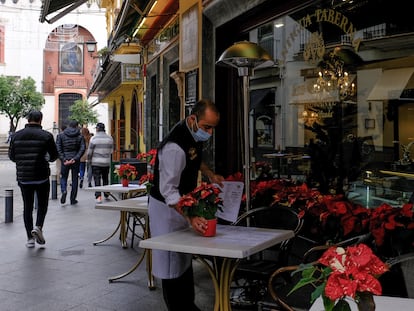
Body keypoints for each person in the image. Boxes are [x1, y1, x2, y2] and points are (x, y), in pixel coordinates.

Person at [148, 99, 224, 311]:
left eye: (212, 128)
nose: (209, 133)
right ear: (192, 119)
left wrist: (209, 173)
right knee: (171, 261)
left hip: (182, 204)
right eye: (206, 127)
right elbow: (168, 192)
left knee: (183, 258)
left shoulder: (190, 134)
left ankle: (187, 304)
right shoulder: (173, 148)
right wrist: (190, 217)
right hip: (166, 210)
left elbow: (194, 157)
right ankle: (178, 306)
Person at [8, 110, 59, 248]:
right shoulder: (47, 136)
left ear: (27, 119)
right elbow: (54, 156)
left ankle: (30, 239)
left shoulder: (16, 136)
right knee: (42, 205)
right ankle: (38, 227)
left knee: (27, 207)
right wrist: (45, 158)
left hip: (24, 177)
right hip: (41, 176)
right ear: (40, 120)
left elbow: (12, 156)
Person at [56, 120, 85, 205]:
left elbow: (58, 148)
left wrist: (63, 159)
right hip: (75, 160)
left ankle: (64, 190)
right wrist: (75, 159)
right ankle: (73, 199)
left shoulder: (61, 135)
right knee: (75, 179)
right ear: (77, 126)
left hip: (65, 160)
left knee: (63, 177)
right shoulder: (80, 136)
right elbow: (82, 148)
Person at [87, 122, 114, 203]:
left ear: (97, 129)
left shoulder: (94, 138)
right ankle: (106, 193)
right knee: (105, 178)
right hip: (106, 162)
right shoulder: (110, 138)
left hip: (96, 162)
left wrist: (89, 160)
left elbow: (89, 152)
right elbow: (112, 151)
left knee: (97, 179)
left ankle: (98, 196)